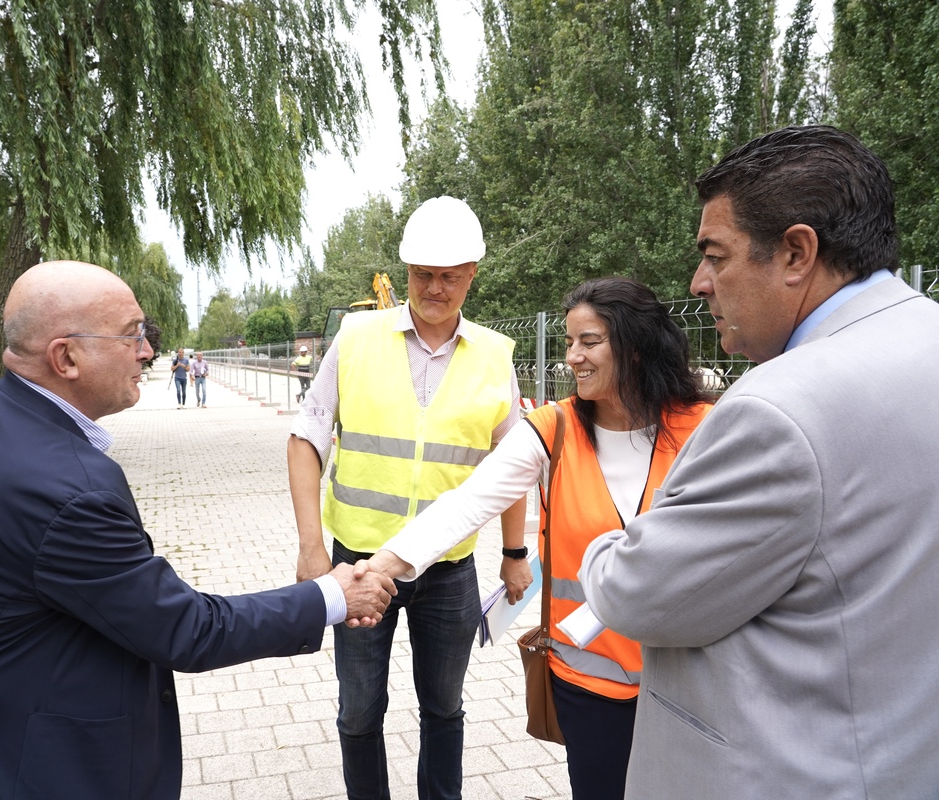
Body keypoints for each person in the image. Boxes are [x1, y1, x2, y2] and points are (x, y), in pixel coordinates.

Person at [0, 261, 396, 799]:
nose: (148, 351)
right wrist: (332, 595)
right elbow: (187, 629)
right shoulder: (62, 488)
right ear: (67, 357)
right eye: (132, 335)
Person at [577, 126, 939, 799]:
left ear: (797, 253)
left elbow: (641, 591)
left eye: (716, 255)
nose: (700, 282)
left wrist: (602, 548)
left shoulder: (779, 410)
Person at [360, 277, 713, 798]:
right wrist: (378, 568)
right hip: (592, 684)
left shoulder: (704, 428)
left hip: (689, 680)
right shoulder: (553, 430)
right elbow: (466, 504)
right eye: (569, 342)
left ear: (635, 347)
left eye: (589, 342)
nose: (572, 357)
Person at [288, 196, 529, 800]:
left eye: (450, 276)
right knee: (359, 710)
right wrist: (312, 548)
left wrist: (515, 551)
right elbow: (305, 438)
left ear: (473, 273)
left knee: (445, 708)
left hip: (448, 570)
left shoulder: (496, 355)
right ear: (406, 270)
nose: (435, 288)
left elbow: (513, 463)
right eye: (423, 274)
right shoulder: (358, 336)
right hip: (360, 564)